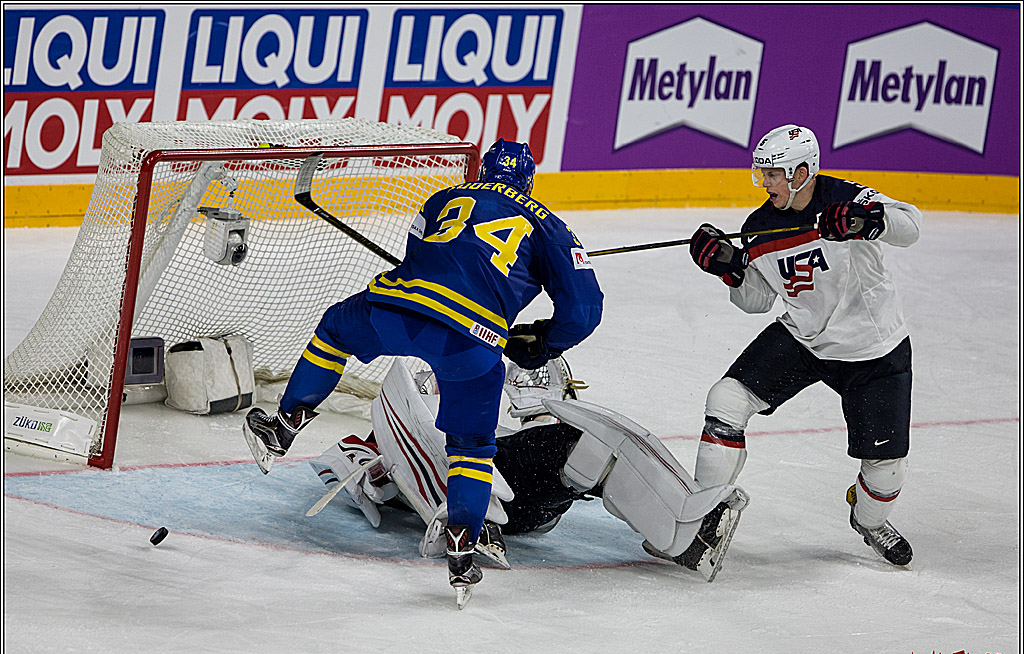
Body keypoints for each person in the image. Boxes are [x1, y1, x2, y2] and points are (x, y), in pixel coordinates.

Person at [243, 139, 604, 607]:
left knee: (334, 331)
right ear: (530, 181)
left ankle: (286, 424)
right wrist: (542, 342)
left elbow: (420, 254)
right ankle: (462, 546)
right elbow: (585, 309)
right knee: (471, 448)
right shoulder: (552, 227)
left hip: (396, 310)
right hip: (471, 341)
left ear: (484, 171)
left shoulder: (444, 198)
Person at [686, 124, 922, 567]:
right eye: (763, 173)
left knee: (886, 471)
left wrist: (864, 221)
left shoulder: (847, 198)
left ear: (801, 171)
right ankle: (704, 518)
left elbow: (910, 226)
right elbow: (757, 300)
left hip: (872, 349)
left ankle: (868, 520)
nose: (765, 182)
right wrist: (729, 267)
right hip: (803, 337)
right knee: (726, 399)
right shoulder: (758, 228)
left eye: (773, 174)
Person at [306, 356, 749, 583]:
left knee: (592, 445)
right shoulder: (400, 419)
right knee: (577, 445)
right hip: (484, 499)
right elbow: (341, 461)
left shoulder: (487, 408)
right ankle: (691, 538)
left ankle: (691, 533)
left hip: (517, 497)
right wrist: (380, 475)